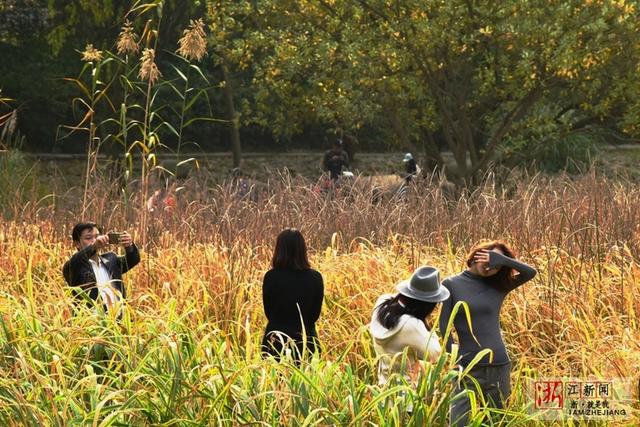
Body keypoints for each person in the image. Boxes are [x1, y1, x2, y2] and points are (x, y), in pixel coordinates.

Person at [438, 240, 537, 426]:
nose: (491, 266)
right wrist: (454, 360)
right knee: (460, 422)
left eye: (497, 265)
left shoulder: (499, 286)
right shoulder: (451, 284)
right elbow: (444, 326)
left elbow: (530, 272)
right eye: (488, 259)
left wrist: (504, 260)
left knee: (496, 422)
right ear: (477, 254)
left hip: (499, 366)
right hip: (467, 367)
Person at [370, 266, 450, 388]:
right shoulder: (411, 325)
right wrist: (424, 322)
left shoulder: (382, 303)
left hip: (384, 387)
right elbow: (435, 355)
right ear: (427, 305)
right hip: (406, 393)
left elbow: (398, 300)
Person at [261, 228, 324, 361]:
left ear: (279, 250)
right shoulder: (315, 278)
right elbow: (314, 315)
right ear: (303, 250)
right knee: (307, 380)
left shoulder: (271, 277)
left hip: (275, 341)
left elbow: (269, 312)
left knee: (274, 381)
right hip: (306, 341)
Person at [62, 222, 140, 317]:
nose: (95, 240)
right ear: (77, 244)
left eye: (97, 236)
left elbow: (133, 259)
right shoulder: (73, 266)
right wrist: (94, 246)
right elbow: (77, 260)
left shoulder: (111, 259)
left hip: (119, 323)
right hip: (90, 325)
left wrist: (129, 246)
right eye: (88, 238)